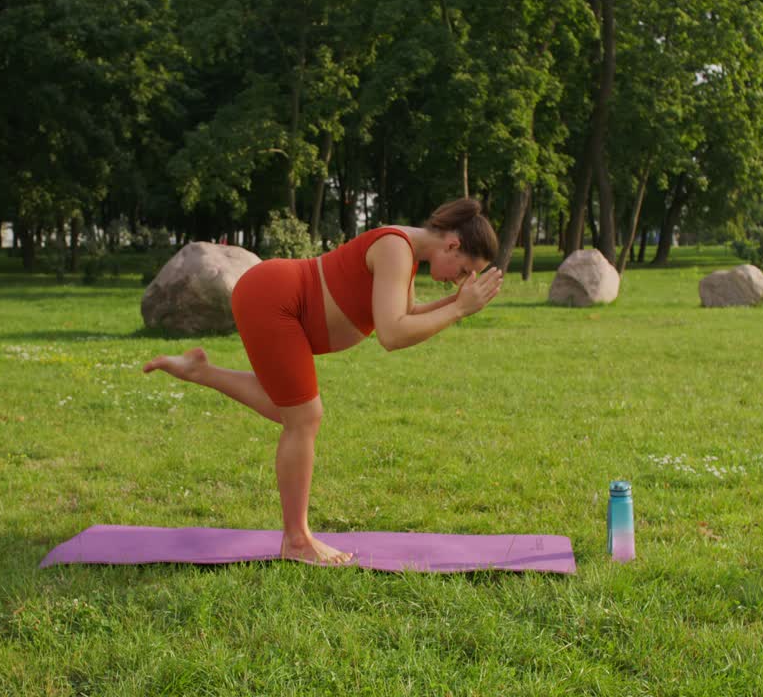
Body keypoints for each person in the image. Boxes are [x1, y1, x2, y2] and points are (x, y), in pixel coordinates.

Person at [142, 198, 503, 565]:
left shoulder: (405, 253)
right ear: (453, 245)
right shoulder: (397, 247)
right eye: (463, 271)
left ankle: (200, 371)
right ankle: (297, 540)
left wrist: (455, 302)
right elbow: (392, 334)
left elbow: (404, 313)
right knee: (304, 418)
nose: (458, 279)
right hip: (275, 298)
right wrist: (459, 308)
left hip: (275, 297)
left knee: (290, 410)